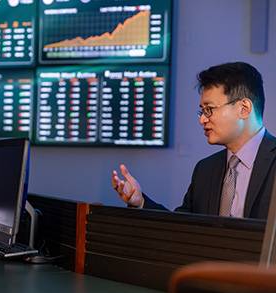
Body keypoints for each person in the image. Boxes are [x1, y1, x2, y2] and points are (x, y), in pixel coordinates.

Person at [111, 62, 276, 219]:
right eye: (202, 111)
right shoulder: (205, 170)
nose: (202, 119)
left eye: (209, 109)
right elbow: (182, 227)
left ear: (244, 108)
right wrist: (140, 203)